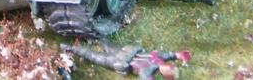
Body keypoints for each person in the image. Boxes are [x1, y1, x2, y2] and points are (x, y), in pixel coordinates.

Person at [61, 41, 191, 80]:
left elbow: (145, 77)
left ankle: (69, 47)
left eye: (169, 71)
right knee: (103, 45)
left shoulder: (148, 70)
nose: (168, 68)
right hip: (124, 53)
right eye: (170, 68)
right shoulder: (161, 59)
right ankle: (89, 36)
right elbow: (171, 55)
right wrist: (179, 55)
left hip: (118, 59)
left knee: (94, 55)